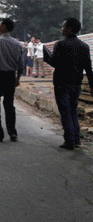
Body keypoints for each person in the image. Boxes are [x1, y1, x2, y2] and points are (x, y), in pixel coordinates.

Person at [47, 18, 93, 150]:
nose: (62, 29)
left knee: (65, 112)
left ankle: (69, 141)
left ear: (69, 29)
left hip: (62, 82)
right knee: (73, 110)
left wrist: (47, 57)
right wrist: (91, 85)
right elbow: (88, 68)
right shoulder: (84, 46)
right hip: (76, 83)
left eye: (63, 26)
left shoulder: (60, 44)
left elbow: (54, 62)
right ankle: (76, 138)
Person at [0, 18, 25, 142]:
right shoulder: (18, 44)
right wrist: (17, 79)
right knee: (9, 104)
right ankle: (12, 132)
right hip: (10, 76)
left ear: (3, 28)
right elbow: (21, 65)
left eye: (0, 25)